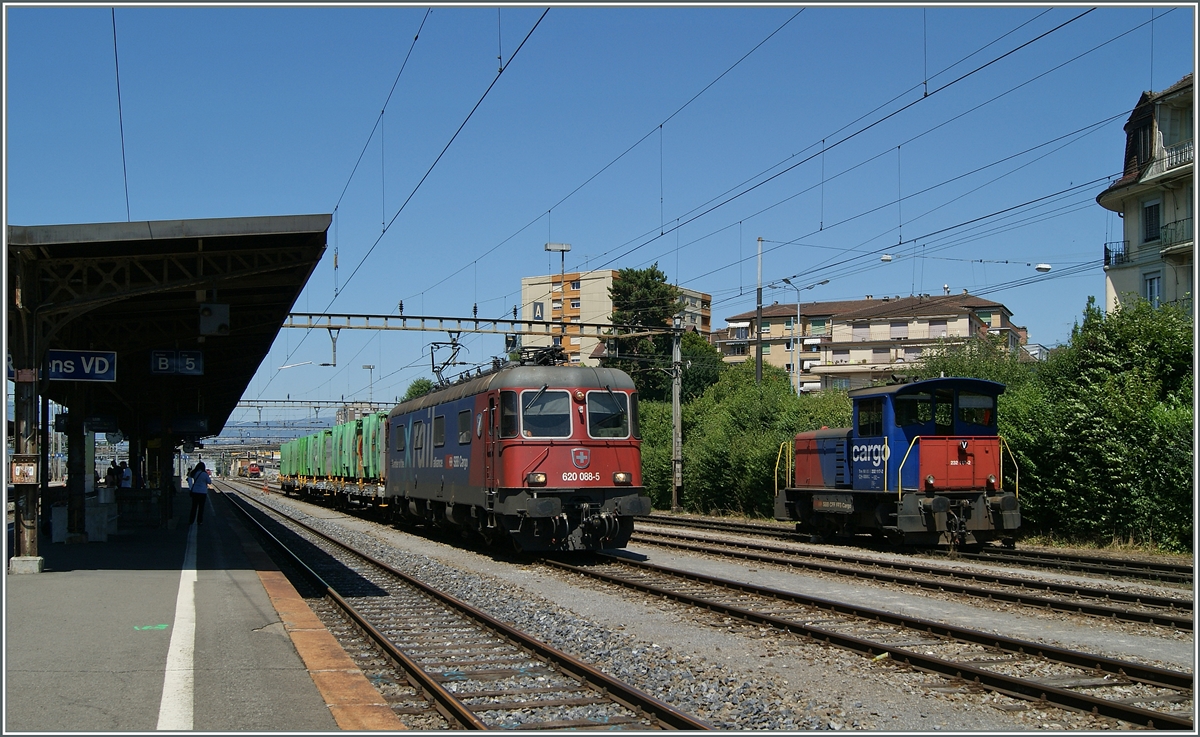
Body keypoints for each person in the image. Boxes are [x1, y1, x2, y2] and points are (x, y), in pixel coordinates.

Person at [187, 461, 212, 525]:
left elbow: (189, 480)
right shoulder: (205, 474)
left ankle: (191, 520)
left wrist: (190, 488)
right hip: (203, 492)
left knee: (194, 507)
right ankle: (199, 521)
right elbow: (209, 482)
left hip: (195, 491)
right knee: (201, 507)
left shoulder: (194, 473)